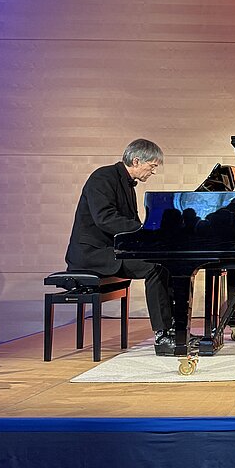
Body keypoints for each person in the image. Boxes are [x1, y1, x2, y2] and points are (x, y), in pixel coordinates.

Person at [65, 139, 176, 356]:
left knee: (167, 265)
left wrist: (150, 236)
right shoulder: (102, 177)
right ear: (136, 161)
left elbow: (127, 224)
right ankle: (162, 335)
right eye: (152, 166)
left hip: (112, 251)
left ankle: (175, 329)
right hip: (93, 254)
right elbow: (105, 218)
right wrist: (145, 230)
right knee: (155, 267)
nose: (153, 171)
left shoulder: (126, 183)